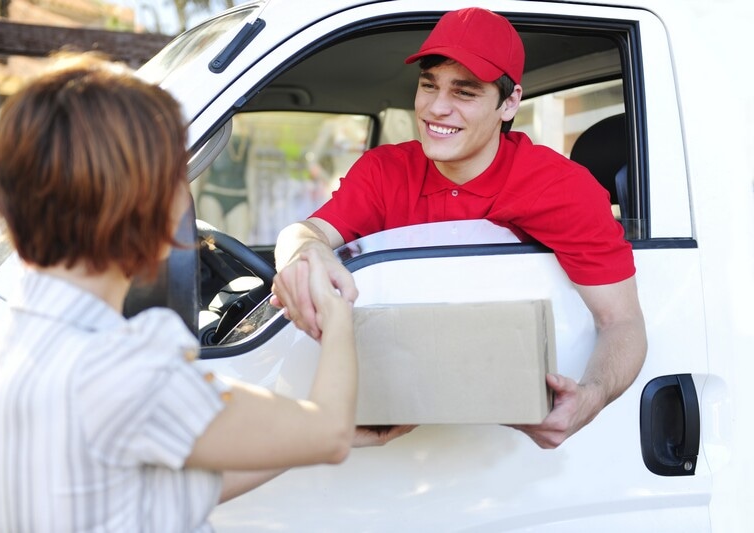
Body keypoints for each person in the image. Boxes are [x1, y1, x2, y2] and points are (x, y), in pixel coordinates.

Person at [0, 53, 410, 532]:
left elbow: (146, 491)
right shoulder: (127, 370)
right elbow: (330, 433)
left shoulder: (3, 345)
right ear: (149, 214)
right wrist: (336, 310)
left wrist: (299, 439)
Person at [271, 7, 647, 449]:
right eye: (429, 85)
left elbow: (622, 322)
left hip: (516, 453)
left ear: (510, 103)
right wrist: (307, 254)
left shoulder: (562, 189)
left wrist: (591, 397)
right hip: (390, 442)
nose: (436, 107)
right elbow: (305, 233)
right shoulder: (385, 171)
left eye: (464, 92)